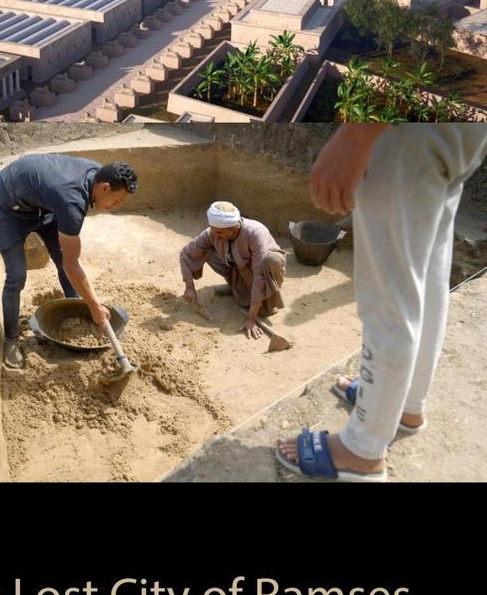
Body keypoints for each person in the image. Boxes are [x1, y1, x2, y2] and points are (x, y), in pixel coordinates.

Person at [276, 124, 487, 482]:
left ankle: (362, 450)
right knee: (427, 270)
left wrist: (356, 136)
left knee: (386, 299)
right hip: (457, 126)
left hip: (400, 136)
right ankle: (406, 406)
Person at [0, 154, 138, 369]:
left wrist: (90, 303)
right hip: (7, 208)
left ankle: (75, 307)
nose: (118, 205)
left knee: (60, 257)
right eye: (118, 199)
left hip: (43, 205)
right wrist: (95, 305)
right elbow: (72, 264)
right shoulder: (71, 201)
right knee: (16, 276)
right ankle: (11, 339)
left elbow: (67, 260)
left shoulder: (96, 176)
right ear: (104, 188)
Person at [180, 201, 287, 339]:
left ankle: (263, 297)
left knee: (272, 260)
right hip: (238, 267)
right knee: (206, 250)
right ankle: (235, 286)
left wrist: (251, 318)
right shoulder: (213, 232)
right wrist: (189, 286)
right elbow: (186, 253)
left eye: (219, 232)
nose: (214, 234)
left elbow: (259, 276)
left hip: (262, 269)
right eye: (212, 229)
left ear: (233, 228)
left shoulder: (255, 233)